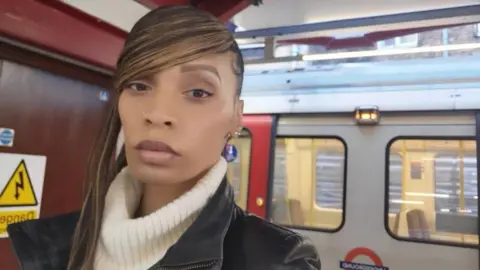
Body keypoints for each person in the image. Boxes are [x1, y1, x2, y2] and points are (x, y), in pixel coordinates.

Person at [7, 5, 321, 270]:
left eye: (198, 92)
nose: (157, 114)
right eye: (139, 86)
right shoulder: (54, 243)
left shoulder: (277, 260)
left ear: (236, 116)